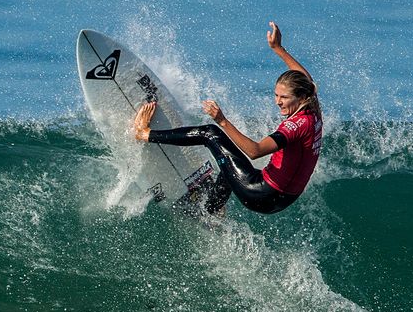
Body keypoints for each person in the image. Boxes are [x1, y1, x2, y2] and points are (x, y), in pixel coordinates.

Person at [133, 22, 322, 214]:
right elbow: (306, 79)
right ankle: (210, 210)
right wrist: (278, 48)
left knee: (210, 133)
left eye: (284, 97)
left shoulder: (295, 126)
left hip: (262, 194)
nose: (278, 102)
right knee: (230, 162)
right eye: (276, 95)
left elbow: (255, 151)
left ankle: (145, 133)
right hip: (282, 198)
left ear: (301, 97)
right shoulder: (312, 109)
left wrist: (222, 120)